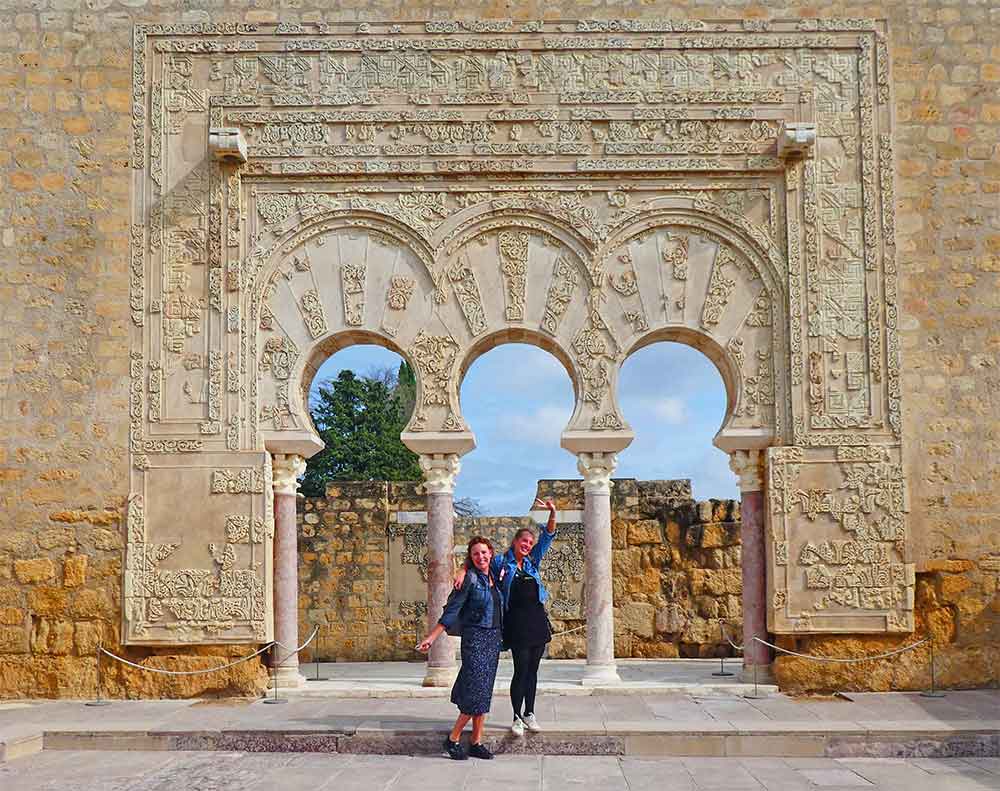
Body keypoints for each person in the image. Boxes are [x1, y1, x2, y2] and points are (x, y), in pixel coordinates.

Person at [455, 497, 557, 737]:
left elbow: (548, 536)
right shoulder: (501, 562)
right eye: (524, 541)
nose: (527, 545)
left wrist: (553, 513)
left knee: (533, 670)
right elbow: (479, 562)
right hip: (516, 624)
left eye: (530, 542)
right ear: (515, 542)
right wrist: (462, 570)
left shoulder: (532, 562)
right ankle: (516, 717)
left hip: (537, 621)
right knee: (521, 670)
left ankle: (530, 713)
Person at [417, 536, 502, 761]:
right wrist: (432, 637)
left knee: (484, 692)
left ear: (491, 553)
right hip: (475, 639)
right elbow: (452, 610)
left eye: (484, 552)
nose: (480, 557)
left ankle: (476, 742)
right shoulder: (469, 579)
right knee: (475, 691)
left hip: (493, 639)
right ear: (470, 557)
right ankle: (453, 738)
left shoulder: (494, 574)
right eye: (475, 554)